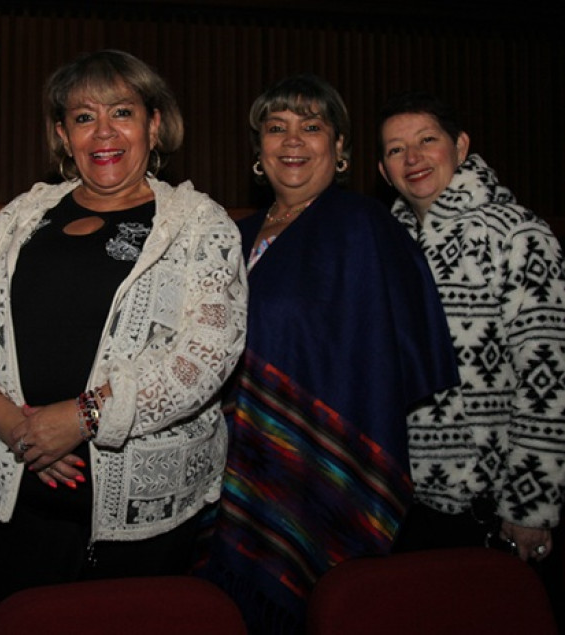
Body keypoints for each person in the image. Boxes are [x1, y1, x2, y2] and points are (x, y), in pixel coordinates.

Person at [0, 49, 247, 619]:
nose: (103, 132)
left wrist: (78, 419)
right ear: (62, 134)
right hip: (18, 502)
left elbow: (205, 358)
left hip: (141, 525)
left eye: (122, 113)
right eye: (83, 117)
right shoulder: (20, 218)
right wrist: (17, 427)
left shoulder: (198, 224)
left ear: (154, 125)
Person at [194, 74, 459, 635]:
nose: (293, 141)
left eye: (311, 127)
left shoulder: (363, 228)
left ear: (339, 149)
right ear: (259, 150)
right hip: (229, 470)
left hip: (325, 473)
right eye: (276, 128)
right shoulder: (229, 236)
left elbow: (386, 366)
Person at [378, 93, 565, 563]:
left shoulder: (519, 235)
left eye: (427, 141)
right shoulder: (385, 247)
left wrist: (529, 504)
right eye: (396, 149)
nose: (413, 158)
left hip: (488, 506)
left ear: (460, 146)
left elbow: (551, 376)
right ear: (383, 171)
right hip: (403, 505)